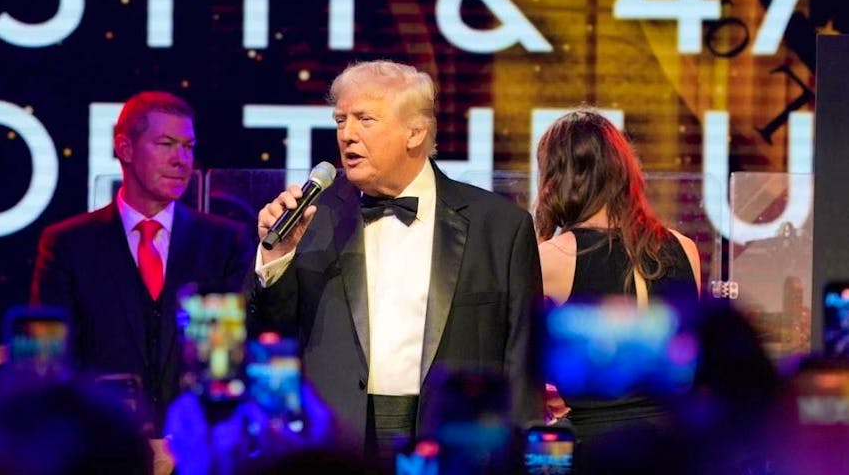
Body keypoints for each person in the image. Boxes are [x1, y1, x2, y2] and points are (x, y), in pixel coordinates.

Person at [249, 61, 544, 462]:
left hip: (455, 444)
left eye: (364, 119)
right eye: (340, 120)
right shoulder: (313, 220)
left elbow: (523, 364)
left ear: (415, 132)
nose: (346, 134)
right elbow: (272, 339)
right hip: (339, 447)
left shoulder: (499, 227)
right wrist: (276, 258)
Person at [31, 91, 254, 437]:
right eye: (165, 144)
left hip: (196, 452)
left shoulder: (225, 243)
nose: (182, 160)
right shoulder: (68, 245)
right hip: (102, 451)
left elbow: (228, 362)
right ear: (125, 148)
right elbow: (51, 366)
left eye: (188, 146)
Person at [533, 109, 702, 462]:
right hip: (674, 447)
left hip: (595, 448)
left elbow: (517, 357)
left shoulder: (553, 258)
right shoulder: (684, 248)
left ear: (557, 177)